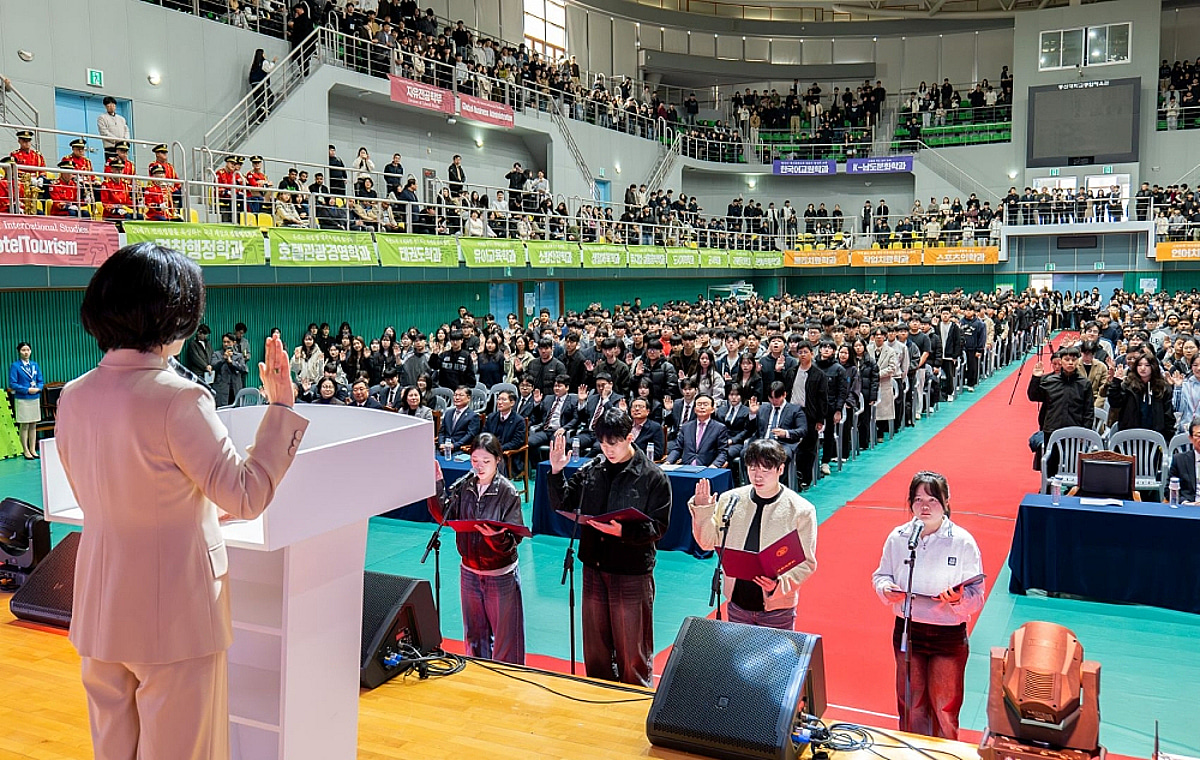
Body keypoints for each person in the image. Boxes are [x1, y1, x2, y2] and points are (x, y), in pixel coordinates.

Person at [54, 242, 306, 760]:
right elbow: (246, 493)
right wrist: (280, 407)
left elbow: (107, 495)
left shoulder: (73, 397)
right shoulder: (179, 397)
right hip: (177, 616)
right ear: (173, 314)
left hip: (101, 610)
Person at [545, 409, 671, 686]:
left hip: (630, 571)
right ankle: (597, 696)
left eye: (613, 443)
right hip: (594, 565)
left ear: (630, 437)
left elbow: (659, 527)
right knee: (596, 645)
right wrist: (556, 472)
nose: (608, 449)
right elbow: (563, 504)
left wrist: (624, 531)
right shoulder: (593, 469)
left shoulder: (652, 476)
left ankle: (634, 699)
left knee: (631, 647)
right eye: (603, 443)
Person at [871, 471, 984, 740]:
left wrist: (958, 599)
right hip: (908, 630)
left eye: (932, 500)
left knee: (945, 709)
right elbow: (881, 574)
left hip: (947, 634)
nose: (924, 506)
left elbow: (976, 594)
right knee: (911, 705)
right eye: (918, 499)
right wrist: (886, 589)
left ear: (946, 502)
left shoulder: (963, 541)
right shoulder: (899, 537)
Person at [688, 438, 817, 629]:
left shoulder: (801, 510)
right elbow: (707, 543)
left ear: (780, 470)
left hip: (777, 608)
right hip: (737, 602)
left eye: (766, 470)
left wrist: (778, 585)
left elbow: (807, 562)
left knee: (775, 658)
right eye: (753, 469)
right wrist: (703, 509)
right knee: (738, 657)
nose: (758, 476)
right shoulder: (731, 499)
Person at [428, 433, 526, 663]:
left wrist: (496, 538)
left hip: (500, 574)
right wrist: (436, 484)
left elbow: (515, 539)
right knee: (474, 635)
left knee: (506, 639)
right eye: (474, 461)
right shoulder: (465, 487)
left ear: (498, 460)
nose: (479, 467)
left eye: (486, 461)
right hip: (470, 571)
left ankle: (507, 683)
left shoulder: (507, 491)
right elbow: (444, 516)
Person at [8, 341, 43, 460]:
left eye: (28, 350)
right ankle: (25, 450)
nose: (26, 352)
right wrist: (27, 390)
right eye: (23, 350)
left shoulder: (34, 365)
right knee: (25, 425)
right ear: (19, 352)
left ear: (31, 351)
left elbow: (40, 380)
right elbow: (13, 383)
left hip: (34, 398)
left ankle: (33, 449)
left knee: (33, 424)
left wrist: (39, 388)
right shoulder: (15, 366)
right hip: (23, 398)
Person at [1167, 416, 1200, 503]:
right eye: (1198, 436)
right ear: (1191, 438)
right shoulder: (1179, 460)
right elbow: (1168, 490)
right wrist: (1186, 503)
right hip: (1188, 508)